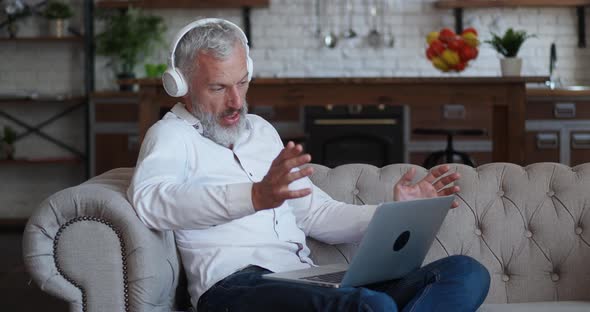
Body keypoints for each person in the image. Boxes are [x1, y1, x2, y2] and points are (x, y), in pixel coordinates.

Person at [128, 18, 490, 312]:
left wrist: (391, 214)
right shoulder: (170, 136)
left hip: (302, 279)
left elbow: (316, 215)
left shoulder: (260, 132)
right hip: (234, 288)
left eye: (242, 82)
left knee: (465, 272)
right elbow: (150, 202)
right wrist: (254, 196)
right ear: (181, 85)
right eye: (219, 88)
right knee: (371, 307)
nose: (237, 101)